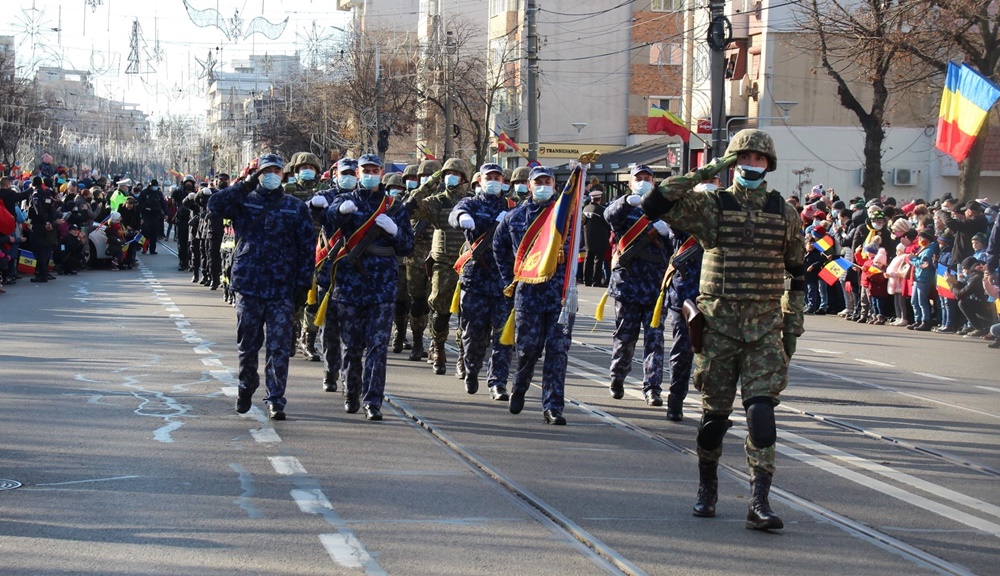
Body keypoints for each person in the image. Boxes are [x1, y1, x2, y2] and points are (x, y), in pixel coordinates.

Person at [641, 129, 805, 531]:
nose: (751, 165)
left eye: (759, 159)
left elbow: (797, 272)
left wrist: (792, 325)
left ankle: (759, 500)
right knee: (715, 417)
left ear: (769, 165)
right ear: (732, 162)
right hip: (719, 327)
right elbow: (655, 203)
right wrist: (708, 169)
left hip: (765, 327)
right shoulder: (712, 206)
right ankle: (707, 487)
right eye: (743, 158)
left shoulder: (784, 213)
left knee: (761, 413)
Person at [207, 154, 316, 420]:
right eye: (267, 171)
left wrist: (303, 284)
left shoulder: (295, 207)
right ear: (257, 174)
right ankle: (246, 387)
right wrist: (244, 185)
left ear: (283, 174)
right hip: (249, 284)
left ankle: (276, 398)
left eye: (277, 171)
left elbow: (306, 248)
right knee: (248, 345)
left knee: (279, 347)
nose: (272, 175)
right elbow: (214, 205)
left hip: (282, 287)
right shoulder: (244, 201)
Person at [324, 153, 414, 421]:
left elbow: (407, 246)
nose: (370, 175)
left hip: (382, 287)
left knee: (377, 347)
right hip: (349, 286)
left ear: (381, 173)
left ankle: (373, 400)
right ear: (358, 173)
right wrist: (339, 213)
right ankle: (351, 392)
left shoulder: (394, 207)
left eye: (375, 170)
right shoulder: (345, 200)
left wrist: (395, 231)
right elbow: (327, 222)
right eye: (366, 170)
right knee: (351, 346)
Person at [494, 166, 575, 426]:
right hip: (528, 294)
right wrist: (509, 279)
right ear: (529, 186)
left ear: (555, 185)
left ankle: (553, 406)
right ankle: (520, 386)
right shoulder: (514, 217)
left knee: (557, 352)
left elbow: (578, 251)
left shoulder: (567, 216)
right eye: (538, 182)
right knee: (528, 350)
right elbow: (499, 247)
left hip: (559, 295)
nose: (543, 186)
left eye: (547, 181)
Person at [604, 164, 672, 407]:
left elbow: (680, 241)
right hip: (628, 286)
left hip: (655, 286)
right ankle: (618, 375)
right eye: (638, 178)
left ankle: (652, 388)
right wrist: (626, 201)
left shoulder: (665, 210)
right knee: (625, 337)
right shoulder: (625, 208)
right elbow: (610, 217)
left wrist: (669, 231)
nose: (643, 181)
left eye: (647, 178)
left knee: (655, 340)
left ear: (654, 182)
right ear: (631, 183)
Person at [449, 163, 514, 401]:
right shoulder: (471, 204)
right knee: (473, 334)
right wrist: (462, 218)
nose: (494, 181)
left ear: (503, 182)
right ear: (480, 181)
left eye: (498, 177)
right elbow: (455, 214)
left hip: (503, 281)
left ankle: (498, 382)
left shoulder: (512, 207)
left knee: (503, 336)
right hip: (475, 279)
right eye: (489, 177)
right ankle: (471, 368)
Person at [583, 188, 611, 287]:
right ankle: (596, 281)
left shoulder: (585, 209)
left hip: (588, 238)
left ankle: (586, 280)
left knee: (588, 259)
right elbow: (608, 224)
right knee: (598, 260)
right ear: (600, 199)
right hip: (601, 238)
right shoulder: (602, 210)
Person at [137, 179, 167, 255]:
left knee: (154, 233)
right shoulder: (144, 193)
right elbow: (139, 204)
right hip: (146, 215)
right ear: (150, 186)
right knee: (145, 233)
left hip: (155, 215)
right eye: (154, 186)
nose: (155, 187)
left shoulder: (158, 194)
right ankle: (145, 248)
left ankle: (152, 249)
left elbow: (163, 203)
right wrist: (140, 216)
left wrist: (166, 213)